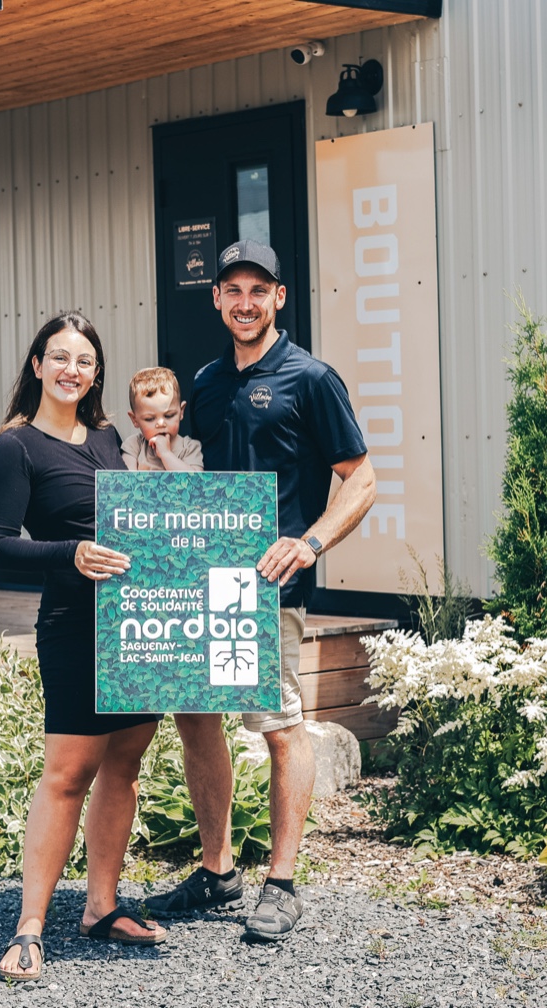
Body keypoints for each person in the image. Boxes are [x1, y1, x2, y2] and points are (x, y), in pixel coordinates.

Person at [142, 240, 376, 940]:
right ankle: (218, 874)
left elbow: (360, 480)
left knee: (278, 727)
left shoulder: (312, 378)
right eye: (231, 290)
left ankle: (281, 881)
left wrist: (308, 542)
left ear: (279, 298)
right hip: (205, 581)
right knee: (196, 720)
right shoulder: (208, 381)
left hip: (271, 588)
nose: (244, 301)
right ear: (216, 299)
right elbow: (192, 468)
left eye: (258, 290)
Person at [0, 311, 167, 981]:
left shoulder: (112, 436)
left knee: (126, 764)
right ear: (37, 365)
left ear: (96, 373)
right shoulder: (16, 446)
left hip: (136, 624)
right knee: (67, 776)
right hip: (73, 626)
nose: (71, 370)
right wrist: (72, 552)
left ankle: (100, 906)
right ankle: (30, 928)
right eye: (58, 357)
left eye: (84, 361)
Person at [122, 366, 204, 472]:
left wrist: (166, 454)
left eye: (169, 415)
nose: (161, 423)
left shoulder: (190, 448)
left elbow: (195, 483)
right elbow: (126, 482)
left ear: (181, 411)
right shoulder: (134, 445)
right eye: (150, 419)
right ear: (134, 419)